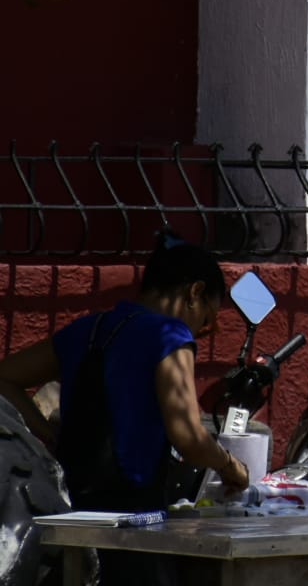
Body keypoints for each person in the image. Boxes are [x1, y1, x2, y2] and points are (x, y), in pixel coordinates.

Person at [0, 233, 250, 584]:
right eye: (207, 319)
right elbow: (189, 438)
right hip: (132, 525)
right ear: (194, 292)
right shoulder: (169, 334)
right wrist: (230, 465)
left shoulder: (90, 329)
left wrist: (46, 435)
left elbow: (5, 378)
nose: (201, 330)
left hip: (73, 516)